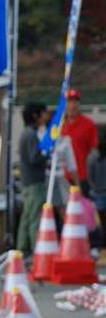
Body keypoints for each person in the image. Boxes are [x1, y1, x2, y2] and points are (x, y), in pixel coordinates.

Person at [16, 103, 49, 255]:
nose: (46, 117)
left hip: (27, 181)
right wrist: (46, 153)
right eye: (44, 113)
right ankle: (36, 250)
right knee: (35, 217)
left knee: (27, 216)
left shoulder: (26, 133)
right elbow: (34, 158)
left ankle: (22, 248)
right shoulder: (31, 135)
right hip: (34, 182)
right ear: (36, 115)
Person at [62, 89, 98, 196]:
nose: (72, 106)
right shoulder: (59, 126)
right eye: (69, 102)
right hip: (63, 178)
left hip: (83, 177)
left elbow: (95, 152)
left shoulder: (88, 124)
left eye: (75, 102)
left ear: (79, 104)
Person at [87, 127, 106, 266]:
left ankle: (102, 249)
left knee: (101, 224)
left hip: (98, 194)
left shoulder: (92, 156)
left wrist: (95, 188)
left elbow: (90, 177)